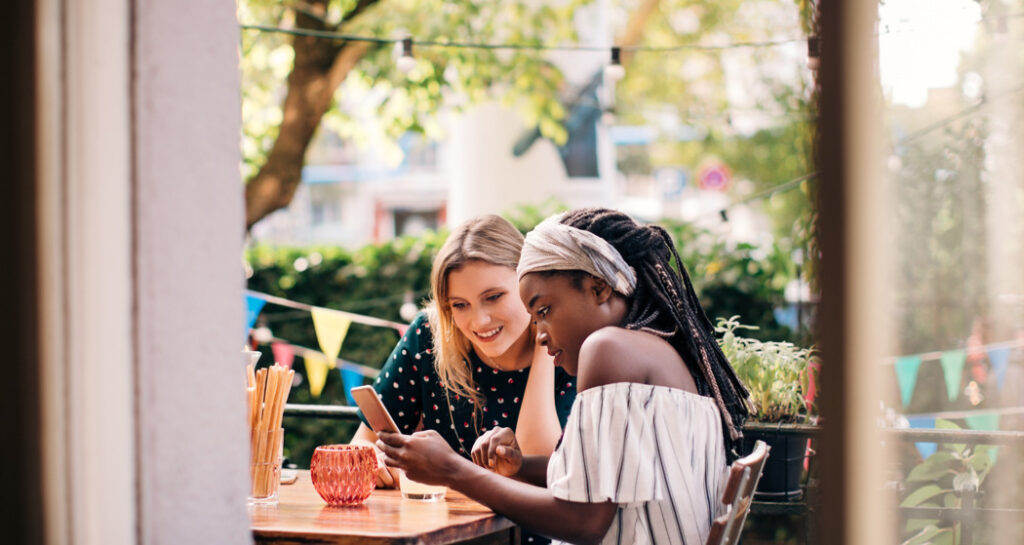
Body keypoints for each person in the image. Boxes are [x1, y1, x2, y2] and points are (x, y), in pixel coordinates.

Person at [377, 208, 750, 545]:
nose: (539, 334)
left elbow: (583, 520)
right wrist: (522, 466)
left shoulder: (608, 350)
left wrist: (452, 470)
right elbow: (606, 485)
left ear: (599, 288)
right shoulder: (659, 353)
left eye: (544, 310)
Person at [350, 214, 577, 492]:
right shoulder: (429, 335)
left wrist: (544, 327)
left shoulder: (567, 346)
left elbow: (542, 472)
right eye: (459, 305)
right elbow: (363, 442)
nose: (479, 321)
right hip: (443, 529)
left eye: (493, 297)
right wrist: (371, 460)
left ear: (527, 282)